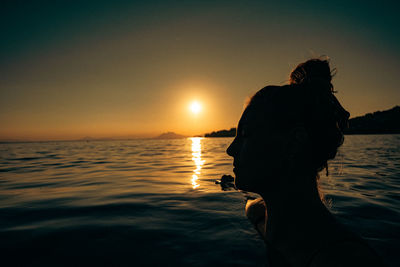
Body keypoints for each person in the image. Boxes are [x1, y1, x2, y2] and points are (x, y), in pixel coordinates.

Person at [226, 58, 384, 266]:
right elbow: (252, 206)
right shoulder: (258, 214)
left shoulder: (343, 259)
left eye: (245, 134)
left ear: (294, 143)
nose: (230, 150)